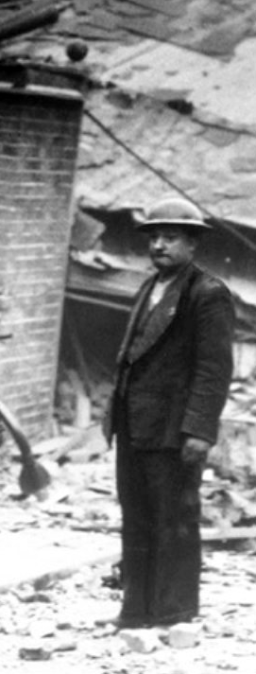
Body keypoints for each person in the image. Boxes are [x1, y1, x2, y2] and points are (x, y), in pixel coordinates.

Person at [105, 198, 234, 629]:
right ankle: (137, 609)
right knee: (137, 516)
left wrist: (199, 430)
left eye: (171, 237)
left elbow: (214, 369)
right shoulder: (149, 287)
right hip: (134, 424)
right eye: (154, 237)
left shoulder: (207, 293)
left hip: (174, 430)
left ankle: (174, 609)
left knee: (174, 518)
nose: (159, 245)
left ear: (193, 244)